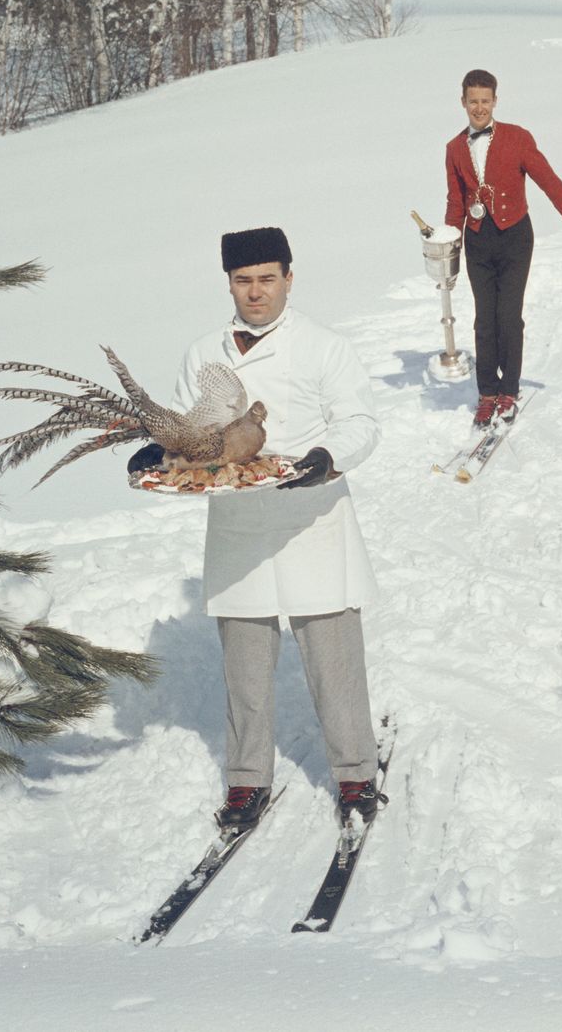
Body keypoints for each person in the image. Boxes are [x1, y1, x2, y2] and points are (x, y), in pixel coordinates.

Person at [130, 226, 384, 834]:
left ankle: (354, 771)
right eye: (244, 281)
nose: (256, 292)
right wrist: (156, 452)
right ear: (229, 284)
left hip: (310, 517)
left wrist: (327, 457)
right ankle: (247, 782)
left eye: (267, 279)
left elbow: (361, 421)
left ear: (289, 278)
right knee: (244, 667)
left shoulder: (324, 346)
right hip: (239, 523)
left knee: (333, 658)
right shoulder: (201, 353)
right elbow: (189, 431)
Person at [443, 68, 562, 426]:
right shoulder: (454, 149)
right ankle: (487, 392)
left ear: (495, 101)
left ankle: (509, 390)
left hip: (515, 236)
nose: (479, 108)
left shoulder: (517, 138)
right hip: (478, 240)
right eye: (473, 102)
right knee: (484, 319)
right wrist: (449, 244)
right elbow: (456, 202)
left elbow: (549, 181)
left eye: (485, 101)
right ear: (463, 102)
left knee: (508, 316)